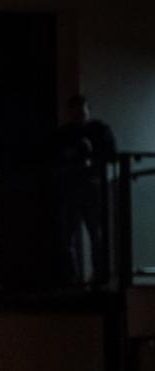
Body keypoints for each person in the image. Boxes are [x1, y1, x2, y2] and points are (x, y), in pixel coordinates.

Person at [54, 94, 118, 284]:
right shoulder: (64, 134)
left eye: (81, 113)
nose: (78, 117)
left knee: (96, 234)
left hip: (91, 187)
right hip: (73, 188)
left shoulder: (99, 130)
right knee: (67, 237)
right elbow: (54, 159)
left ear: (87, 111)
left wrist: (90, 153)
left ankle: (98, 276)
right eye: (75, 113)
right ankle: (72, 277)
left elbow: (112, 155)